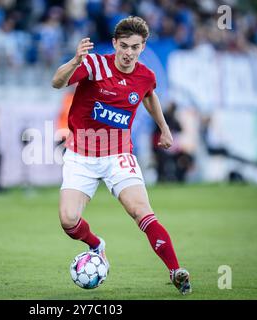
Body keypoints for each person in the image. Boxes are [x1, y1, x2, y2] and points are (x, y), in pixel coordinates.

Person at [51, 16, 191, 295]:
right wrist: (75, 61)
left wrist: (163, 128)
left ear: (142, 47)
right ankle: (96, 246)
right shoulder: (93, 65)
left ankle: (176, 271)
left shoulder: (145, 76)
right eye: (124, 46)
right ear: (114, 43)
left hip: (118, 155)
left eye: (135, 47)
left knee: (142, 211)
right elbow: (57, 82)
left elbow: (149, 96)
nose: (129, 53)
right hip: (81, 155)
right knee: (68, 220)